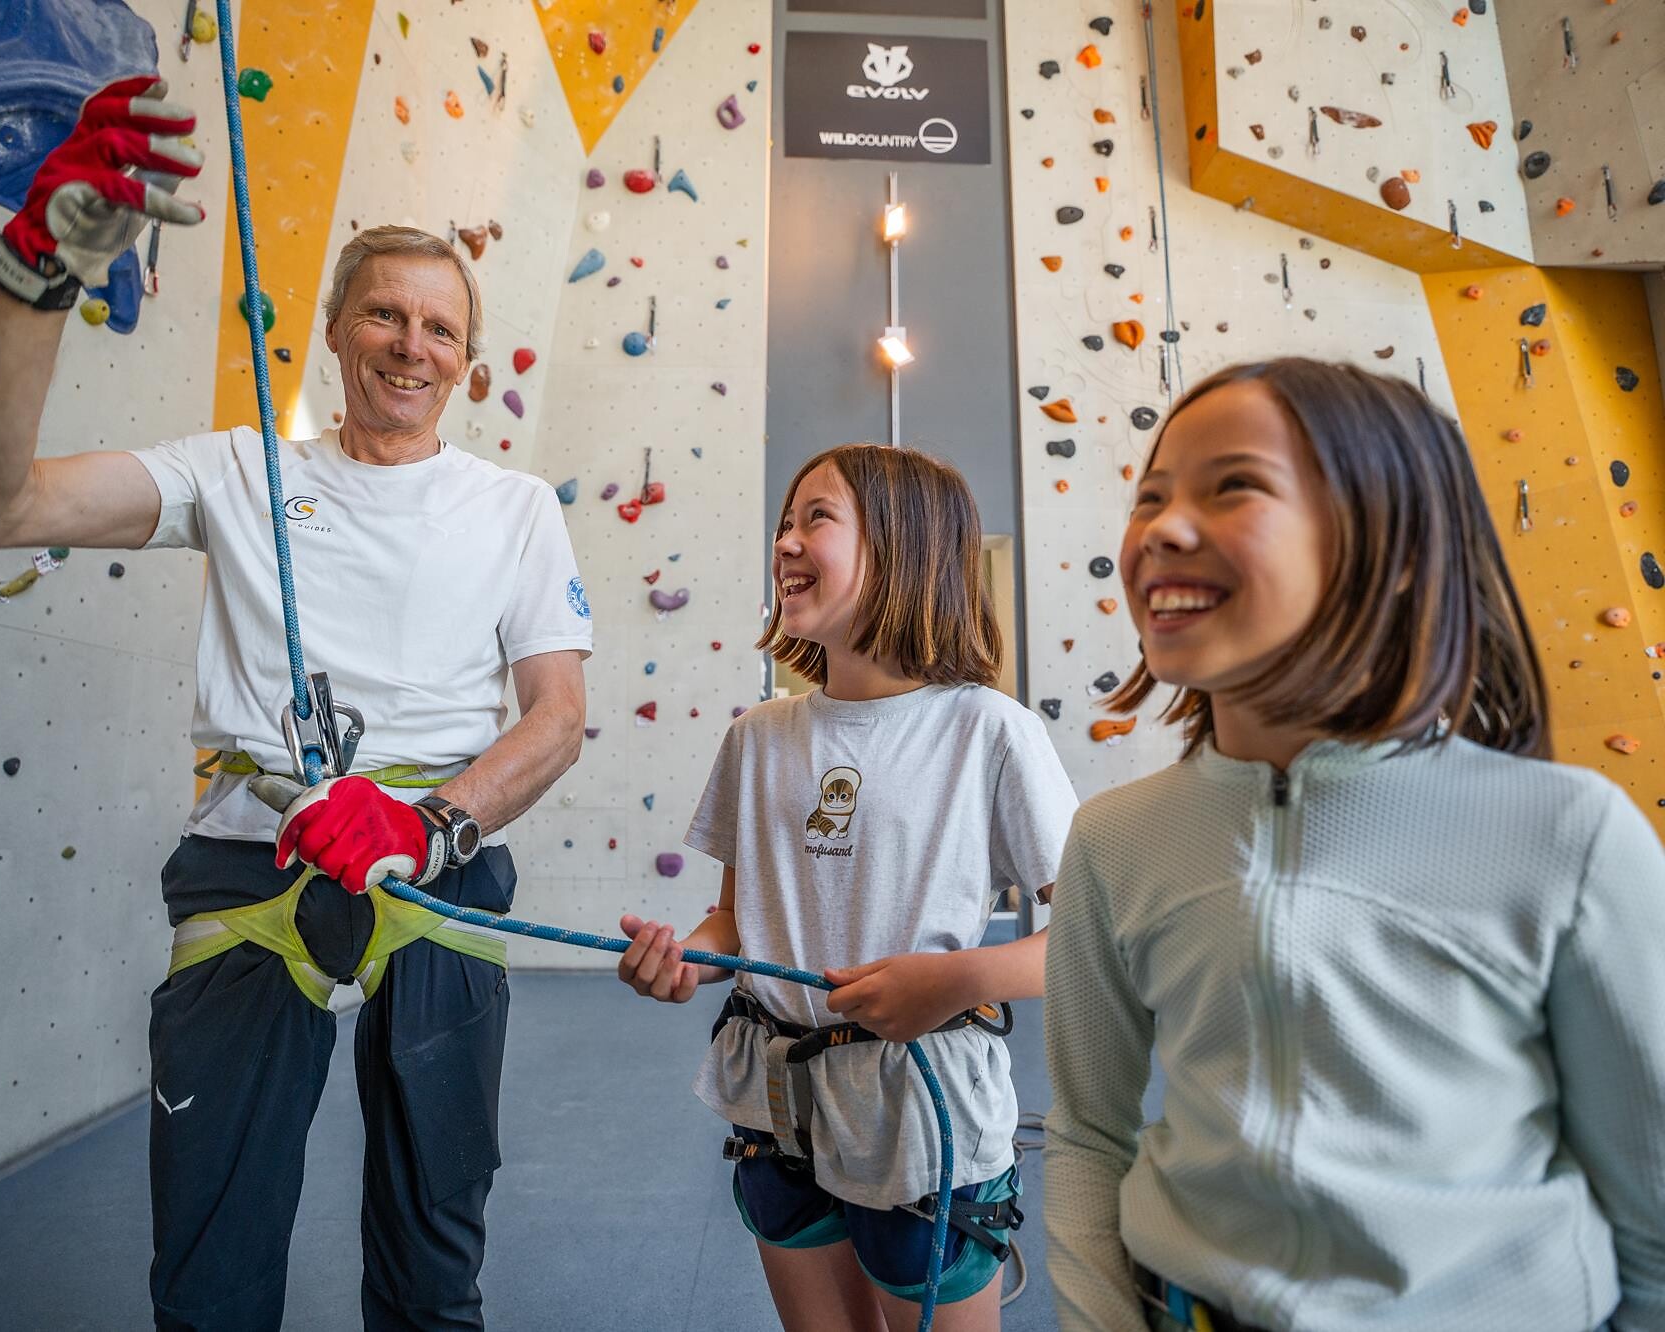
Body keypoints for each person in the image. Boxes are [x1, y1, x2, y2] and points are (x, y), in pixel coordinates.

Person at [0, 76, 592, 1330]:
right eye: (384, 314)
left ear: (468, 361)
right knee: (212, 1270)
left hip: (438, 868)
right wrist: (33, 278)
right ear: (333, 331)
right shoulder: (237, 471)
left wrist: (426, 825)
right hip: (253, 861)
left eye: (440, 328)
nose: (411, 344)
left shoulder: (515, 509)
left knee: (437, 1257)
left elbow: (554, 716)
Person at [1041, 359, 1665, 1332]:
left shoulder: (1568, 836)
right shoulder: (1113, 841)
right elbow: (1085, 1137)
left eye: (1232, 486)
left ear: (1393, 543)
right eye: (1149, 497)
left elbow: (1656, 1219)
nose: (1158, 528)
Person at [617, 444, 1078, 1331]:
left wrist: (958, 981)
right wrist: (689, 960)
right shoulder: (758, 737)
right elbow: (735, 920)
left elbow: (1098, 936)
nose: (785, 540)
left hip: (920, 1114)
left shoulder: (988, 731)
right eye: (785, 521)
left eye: (815, 519)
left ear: (903, 547)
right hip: (775, 1103)